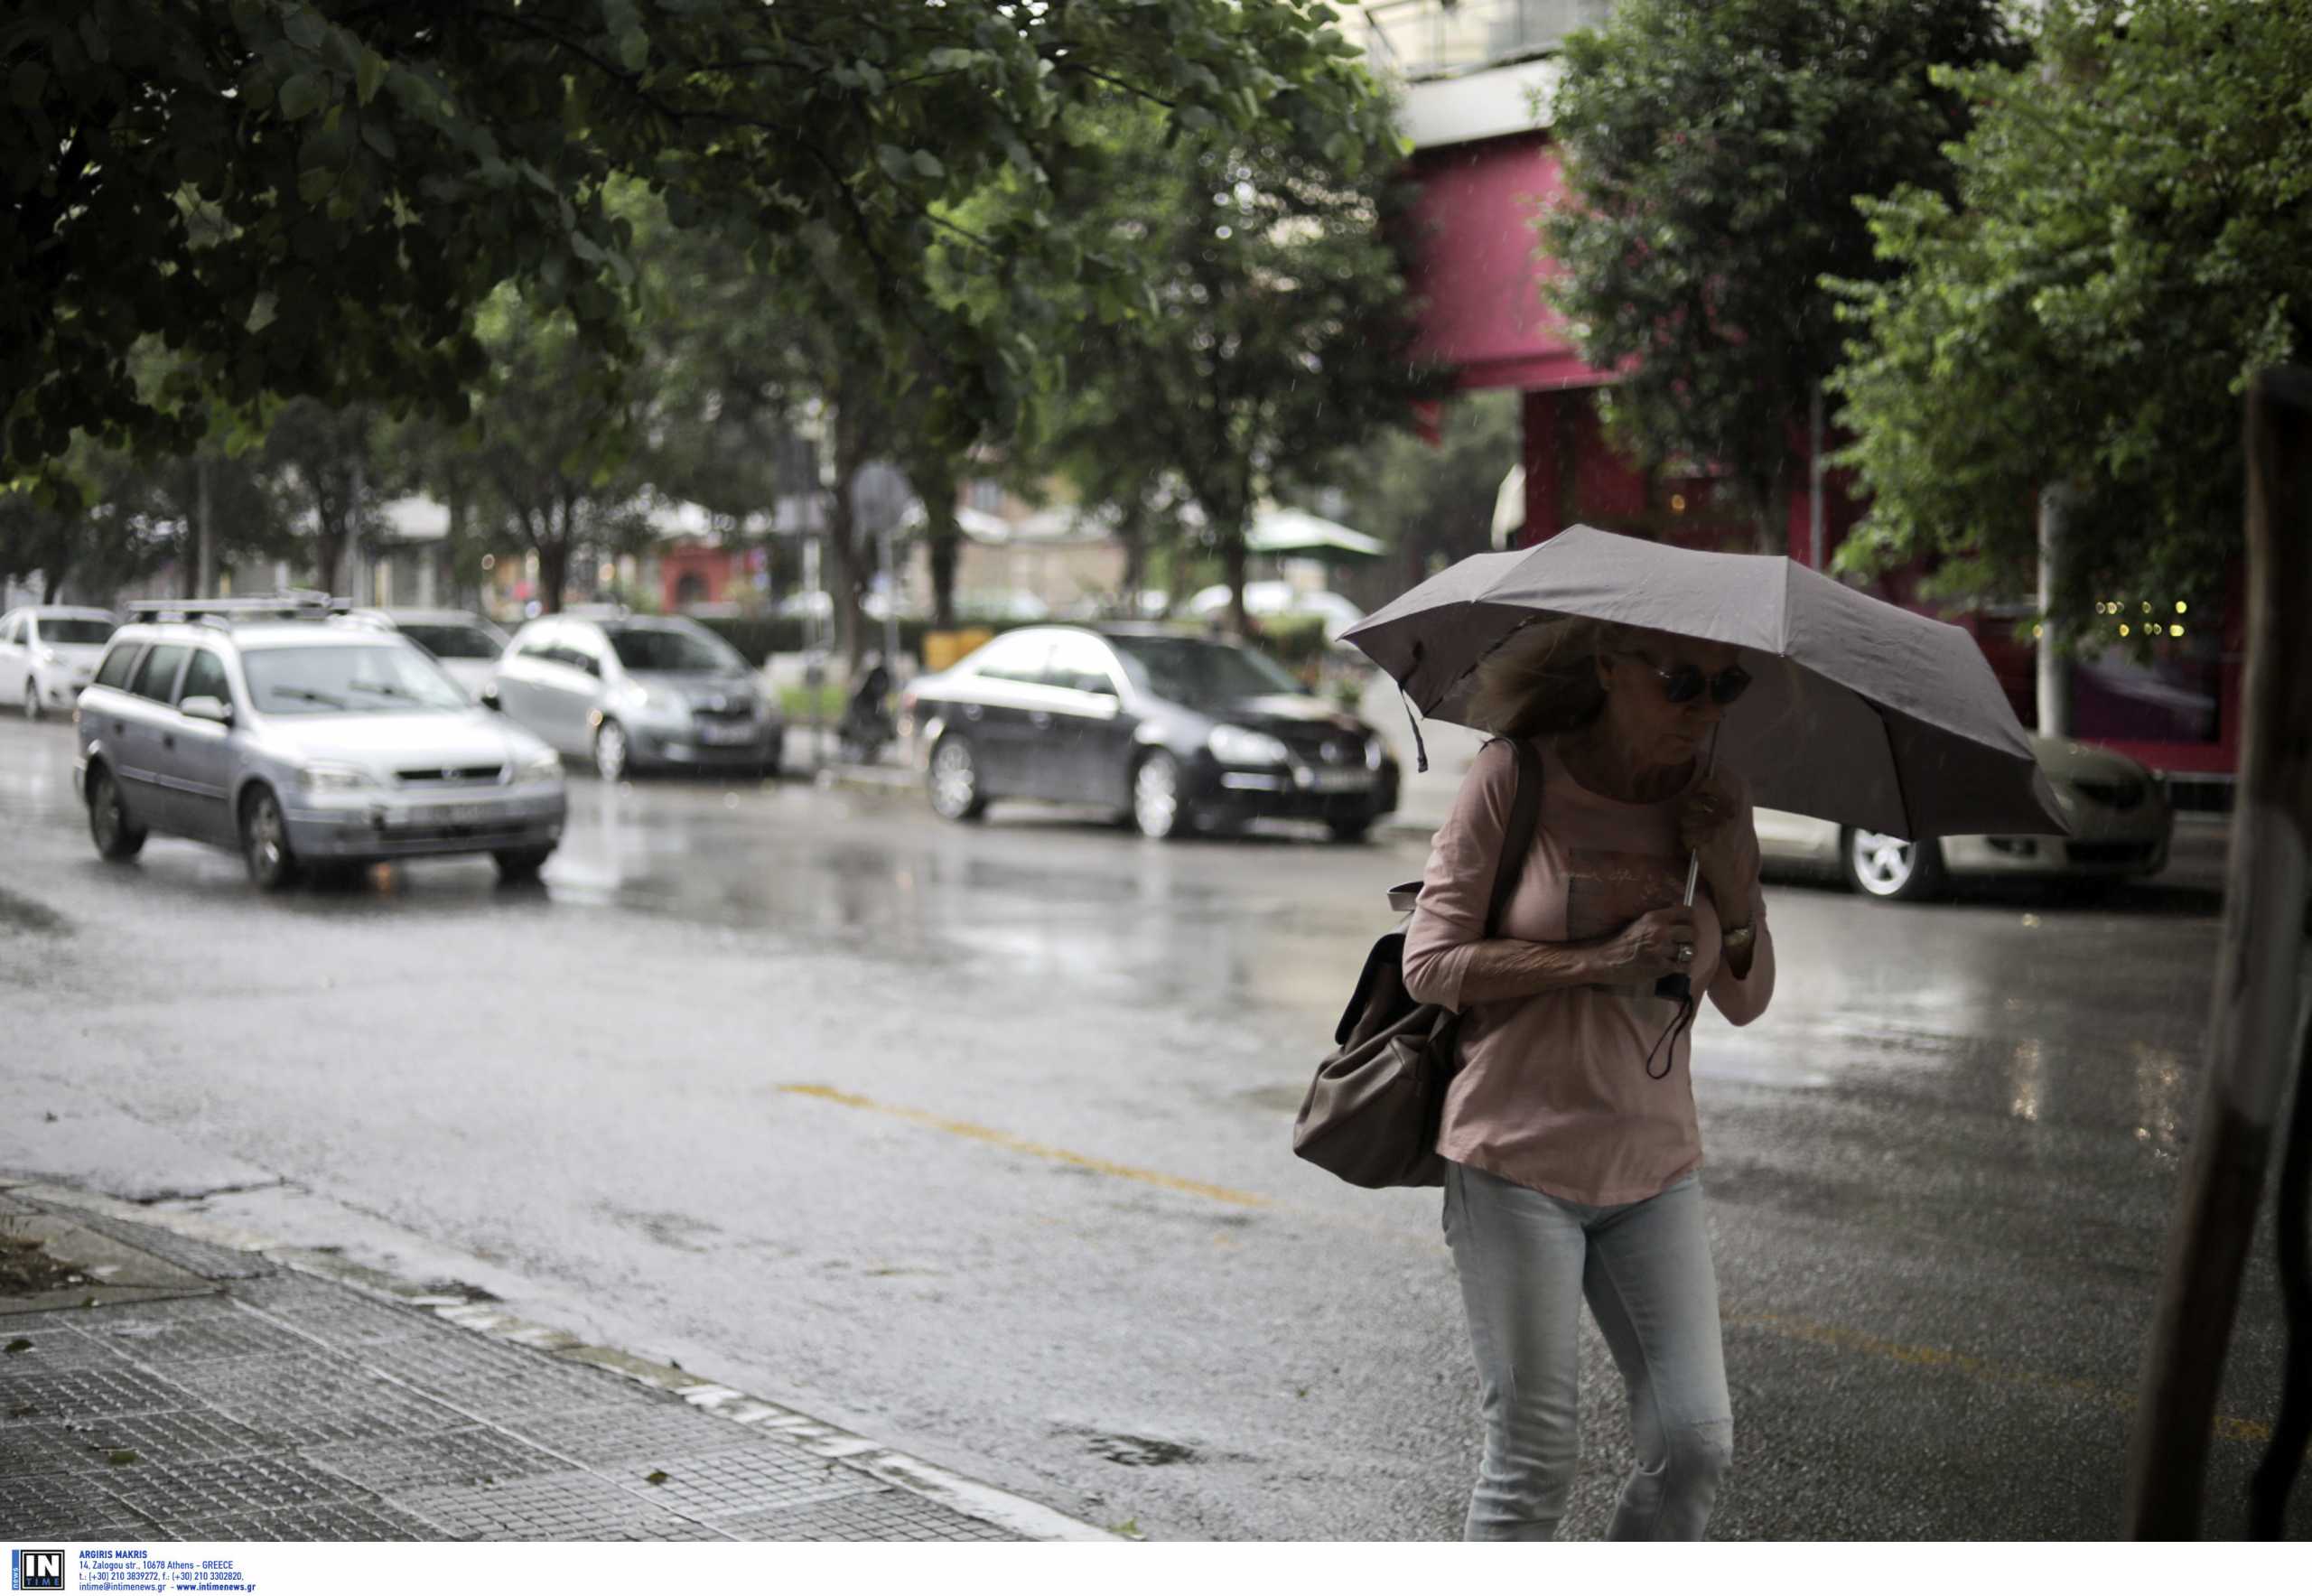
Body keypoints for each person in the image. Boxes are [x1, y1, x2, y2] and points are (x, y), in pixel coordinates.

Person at [1402, 617, 1776, 1541]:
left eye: (1726, 687)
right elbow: (1430, 965)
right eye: (1679, 681)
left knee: (1693, 1443)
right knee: (1533, 1458)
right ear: (1610, 669)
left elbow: (1746, 997)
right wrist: (1595, 961)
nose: (1703, 709)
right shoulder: (1515, 777)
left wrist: (1731, 884)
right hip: (1512, 1158)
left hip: (1652, 1169)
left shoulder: (1716, 803)